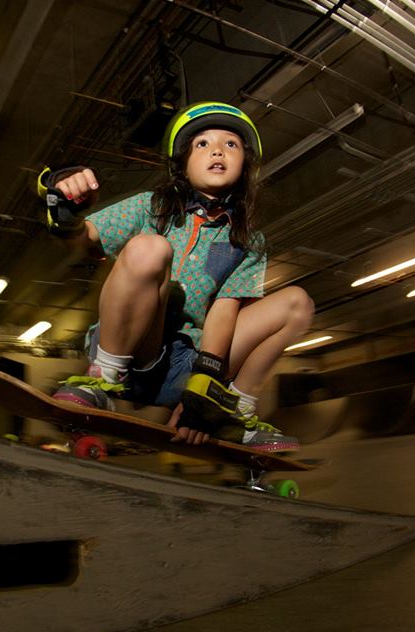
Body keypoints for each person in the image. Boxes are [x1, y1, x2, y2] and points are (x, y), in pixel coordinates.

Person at [37, 101, 314, 450]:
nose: (218, 150)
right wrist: (68, 211)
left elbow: (224, 311)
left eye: (231, 144)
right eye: (203, 143)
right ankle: (103, 379)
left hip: (187, 363)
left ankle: (232, 410)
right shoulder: (150, 207)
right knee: (150, 248)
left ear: (244, 164)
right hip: (134, 348)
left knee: (296, 303)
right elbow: (87, 240)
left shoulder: (247, 241)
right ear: (182, 163)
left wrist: (202, 394)